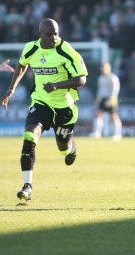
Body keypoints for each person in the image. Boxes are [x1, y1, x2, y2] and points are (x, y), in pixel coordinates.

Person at [1, 18, 88, 202]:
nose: (54, 37)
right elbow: (22, 65)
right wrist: (12, 88)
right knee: (29, 136)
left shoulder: (67, 51)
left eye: (56, 33)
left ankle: (71, 148)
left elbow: (82, 79)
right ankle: (27, 186)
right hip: (41, 102)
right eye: (49, 34)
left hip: (64, 106)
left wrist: (57, 85)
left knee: (62, 148)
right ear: (40, 34)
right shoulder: (30, 48)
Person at [90, 62, 122, 141]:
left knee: (114, 116)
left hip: (111, 99)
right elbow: (100, 90)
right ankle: (97, 133)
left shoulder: (113, 77)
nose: (103, 70)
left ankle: (118, 134)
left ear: (109, 68)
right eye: (102, 68)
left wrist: (111, 99)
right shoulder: (100, 78)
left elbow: (116, 89)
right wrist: (98, 99)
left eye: (105, 68)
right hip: (103, 99)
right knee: (98, 115)